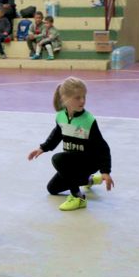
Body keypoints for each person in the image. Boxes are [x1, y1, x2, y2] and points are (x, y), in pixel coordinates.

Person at [27, 77, 114, 211]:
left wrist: (105, 171)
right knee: (52, 188)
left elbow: (102, 147)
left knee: (58, 159)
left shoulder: (88, 120)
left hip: (89, 161)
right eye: (77, 98)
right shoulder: (61, 116)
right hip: (73, 162)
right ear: (65, 98)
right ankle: (90, 179)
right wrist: (43, 148)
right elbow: (57, 134)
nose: (82, 101)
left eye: (84, 97)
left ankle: (78, 197)